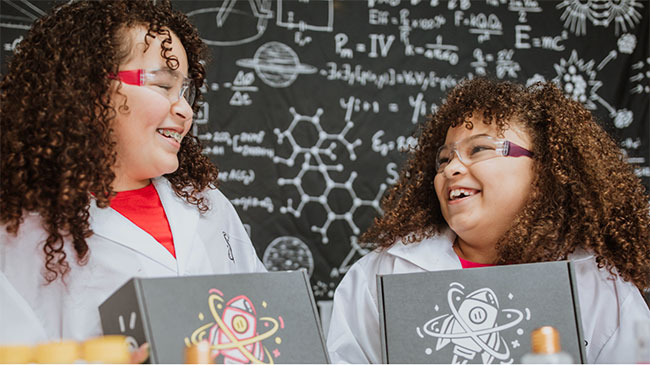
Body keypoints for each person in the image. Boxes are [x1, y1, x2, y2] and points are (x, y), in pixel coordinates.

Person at [327, 78, 650, 363]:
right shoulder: (380, 274)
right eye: (444, 159)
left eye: (479, 149)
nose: (451, 169)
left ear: (544, 171)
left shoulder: (597, 281)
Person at [0, 0, 266, 347]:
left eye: (185, 90)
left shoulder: (207, 206)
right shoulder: (22, 230)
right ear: (88, 92)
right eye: (163, 85)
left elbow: (263, 324)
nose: (184, 109)